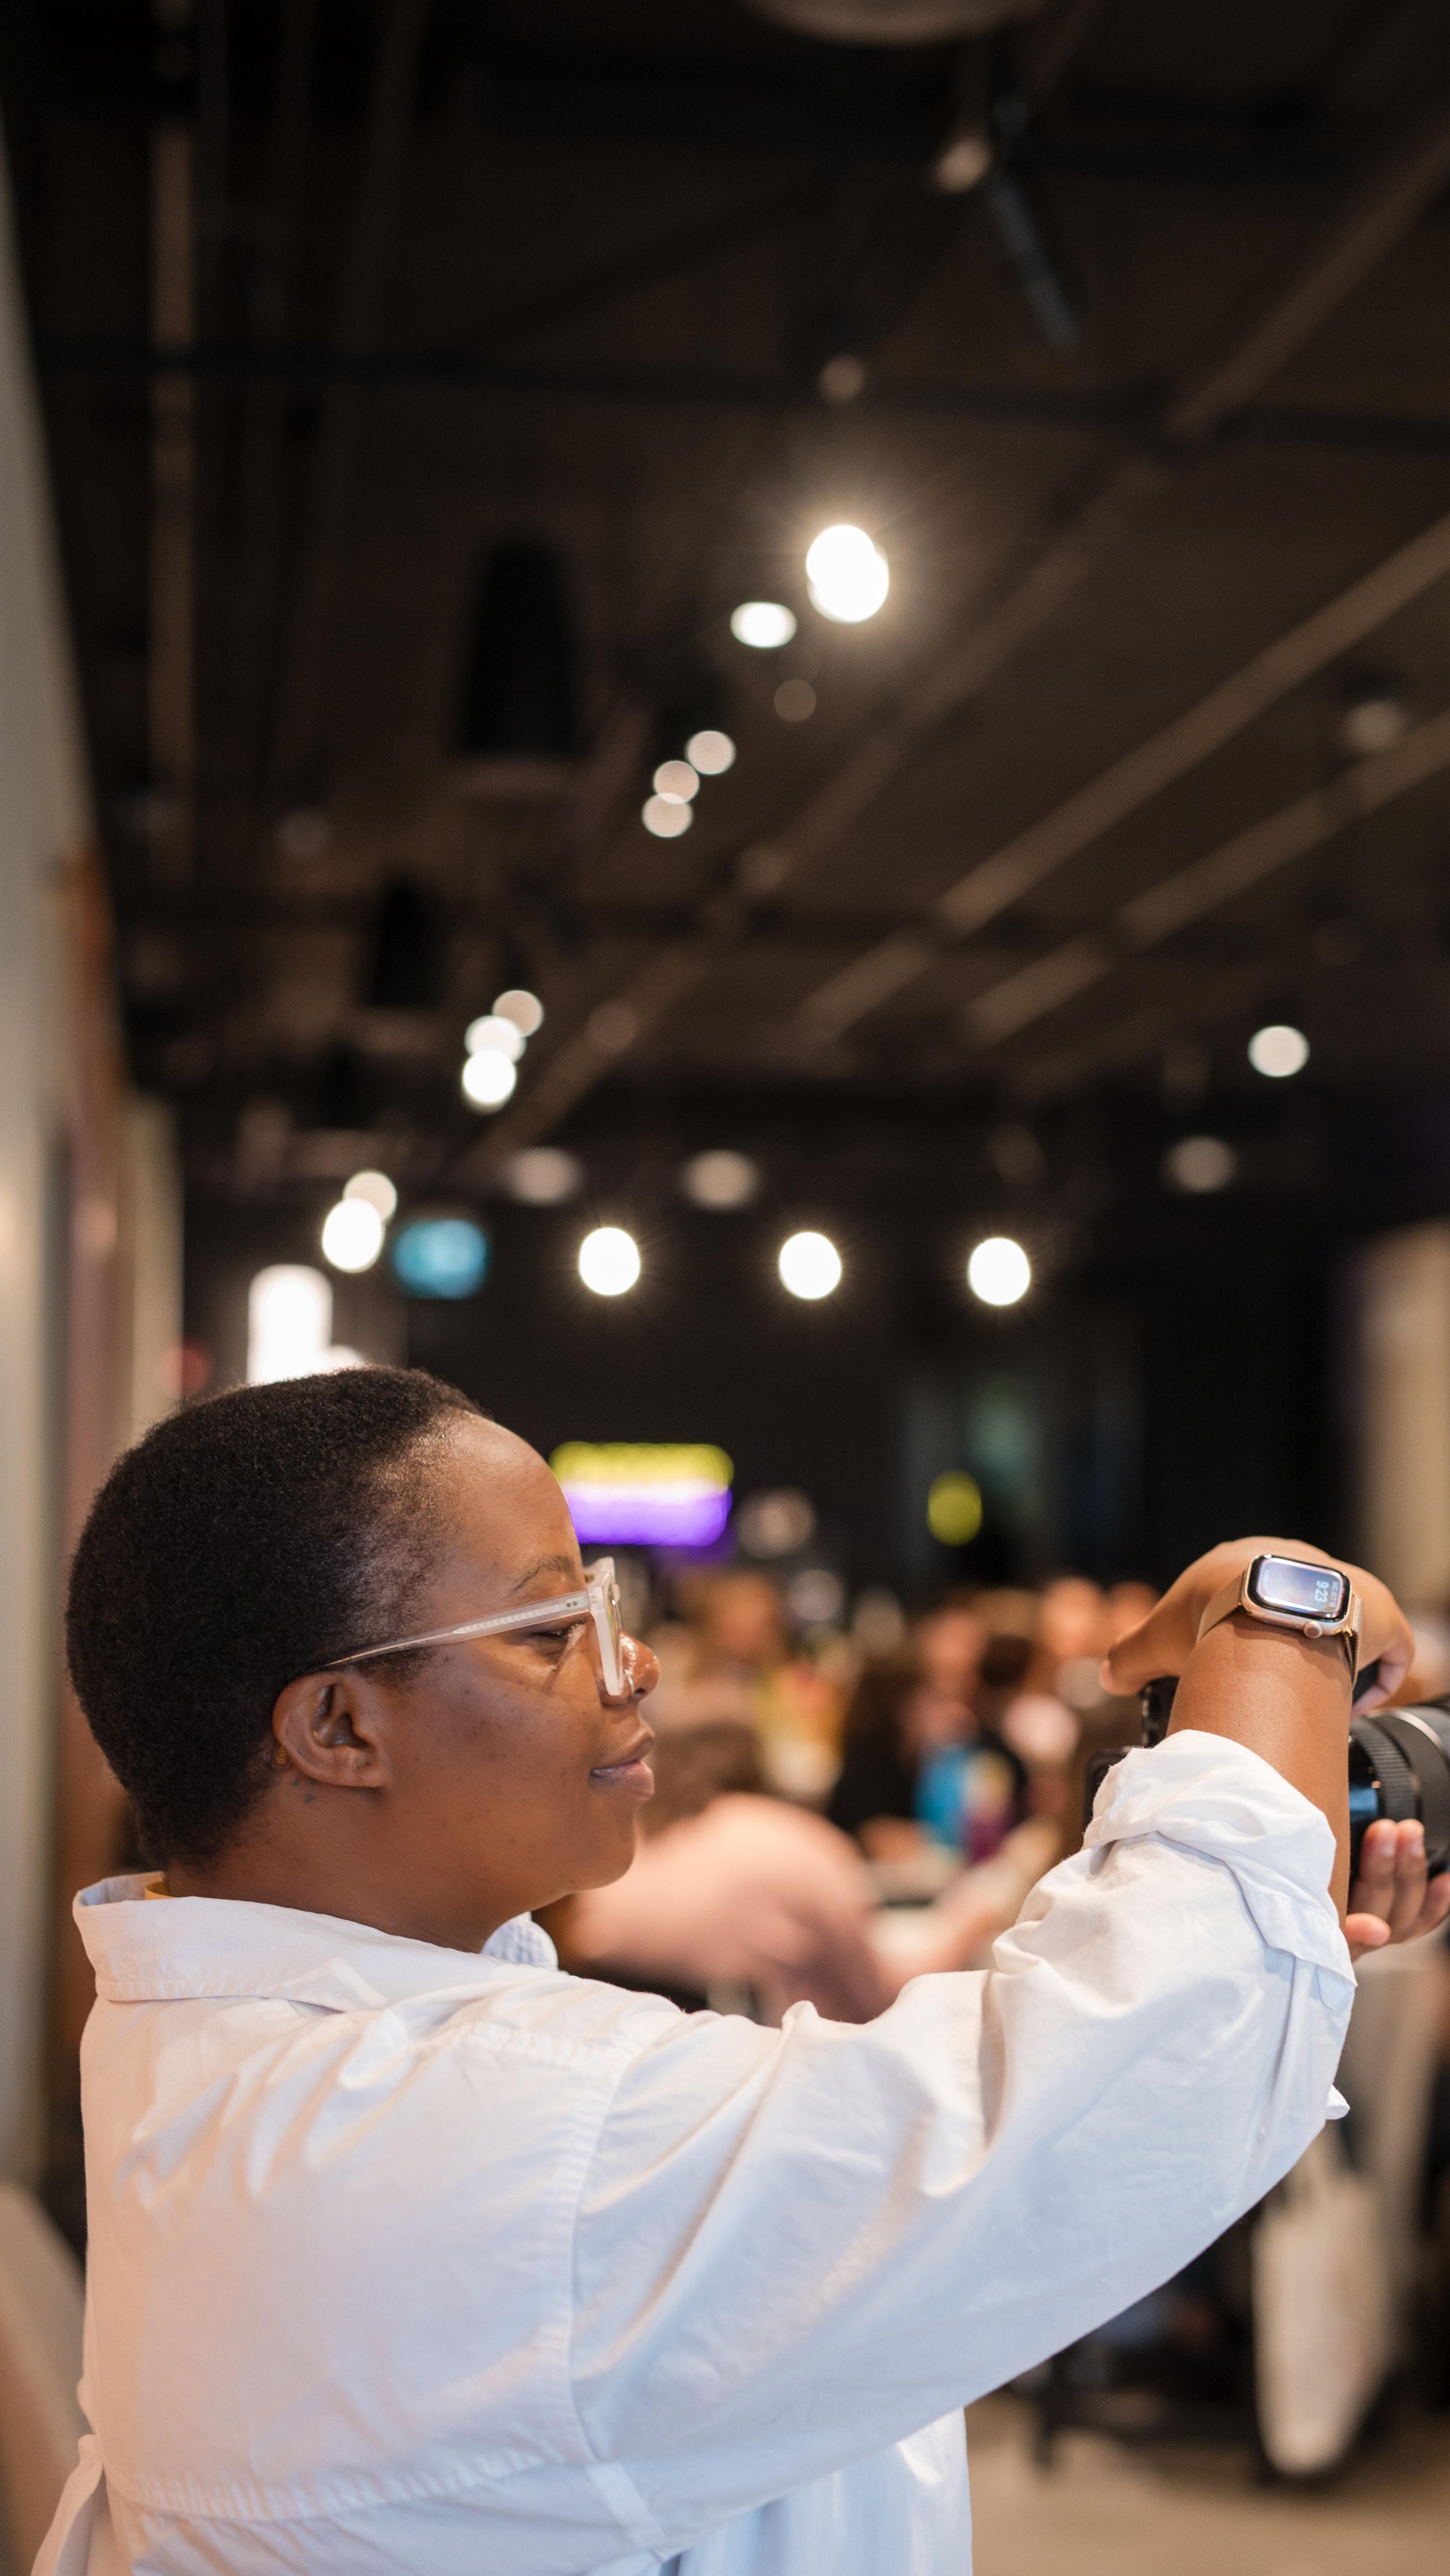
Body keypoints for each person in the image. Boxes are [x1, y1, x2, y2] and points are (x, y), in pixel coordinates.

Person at [42, 1367, 1450, 2576]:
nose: (633, 1662)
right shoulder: (461, 2138)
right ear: (340, 1727)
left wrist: (1264, 1913)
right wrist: (1281, 1619)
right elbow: (1098, 2094)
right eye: (550, 1630)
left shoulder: (248, 2064)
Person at [556, 1718, 1056, 2023]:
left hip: (647, 2074)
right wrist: (972, 1916)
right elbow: (883, 1996)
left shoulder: (618, 1849)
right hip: (771, 2077)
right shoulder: (793, 1841)